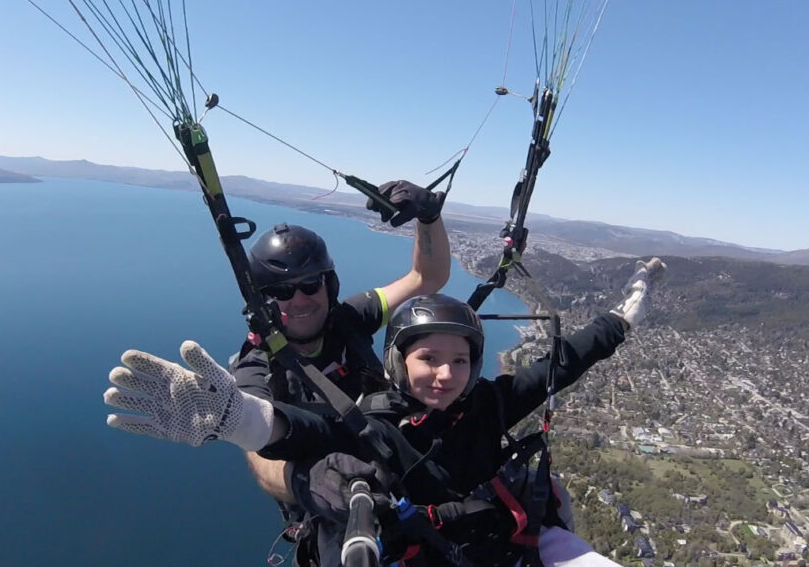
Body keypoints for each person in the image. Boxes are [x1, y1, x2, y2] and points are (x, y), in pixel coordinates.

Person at [104, 258, 667, 566]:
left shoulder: (490, 402)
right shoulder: (372, 423)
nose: (446, 375)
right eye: (428, 359)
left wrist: (622, 317)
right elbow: (301, 430)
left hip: (503, 541)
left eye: (460, 361)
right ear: (398, 363)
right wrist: (236, 420)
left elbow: (562, 362)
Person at [231, 180, 451, 507]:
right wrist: (314, 485)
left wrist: (429, 218)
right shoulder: (257, 365)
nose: (300, 299)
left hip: (403, 467)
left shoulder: (349, 318)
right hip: (339, 510)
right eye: (281, 291)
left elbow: (426, 278)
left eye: (310, 283)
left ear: (328, 285)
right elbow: (257, 445)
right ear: (264, 301)